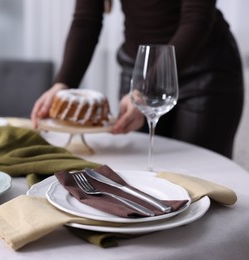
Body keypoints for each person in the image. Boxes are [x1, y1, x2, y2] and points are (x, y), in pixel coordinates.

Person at [30, 0, 244, 159]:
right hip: (138, 69)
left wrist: (144, 88)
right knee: (138, 166)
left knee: (199, 172)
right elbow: (86, 20)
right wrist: (63, 83)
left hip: (204, 73)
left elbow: (196, 19)